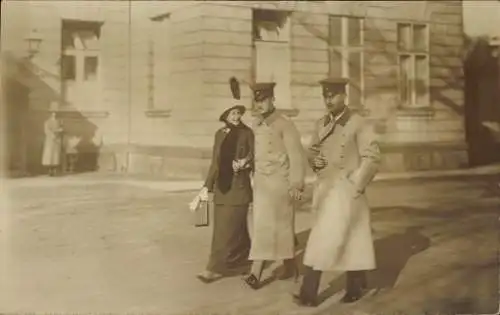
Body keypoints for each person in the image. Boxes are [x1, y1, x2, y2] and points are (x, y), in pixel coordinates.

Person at [293, 78, 381, 306]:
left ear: (344, 96)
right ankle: (350, 285)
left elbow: (372, 157)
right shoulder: (321, 123)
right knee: (328, 240)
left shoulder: (358, 123)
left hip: (346, 190)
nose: (328, 100)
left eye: (333, 95)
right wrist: (316, 161)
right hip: (325, 190)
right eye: (325, 96)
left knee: (344, 240)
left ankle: (311, 293)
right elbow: (311, 151)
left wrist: (357, 183)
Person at [243, 82, 306, 290]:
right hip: (261, 184)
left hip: (280, 183)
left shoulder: (284, 124)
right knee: (266, 227)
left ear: (272, 100)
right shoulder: (255, 124)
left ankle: (256, 272)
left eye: (263, 100)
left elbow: (296, 156)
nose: (259, 104)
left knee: (281, 227)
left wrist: (297, 183)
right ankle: (288, 266)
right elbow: (253, 152)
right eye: (256, 100)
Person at [195, 103, 254, 283]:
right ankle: (244, 264)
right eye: (232, 113)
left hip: (239, 188)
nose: (236, 117)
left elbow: (256, 155)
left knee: (231, 229)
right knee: (230, 230)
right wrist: (206, 186)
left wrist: (245, 161)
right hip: (222, 188)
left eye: (238, 113)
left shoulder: (247, 133)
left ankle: (213, 269)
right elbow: (215, 162)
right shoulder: (220, 134)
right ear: (225, 115)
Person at [42, 107, 63, 176]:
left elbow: (61, 128)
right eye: (53, 113)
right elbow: (46, 130)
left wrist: (59, 131)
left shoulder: (59, 121)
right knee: (49, 155)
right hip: (50, 140)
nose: (54, 114)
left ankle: (54, 169)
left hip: (57, 140)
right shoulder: (47, 122)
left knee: (55, 155)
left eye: (55, 113)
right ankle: (49, 170)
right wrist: (52, 135)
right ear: (51, 114)